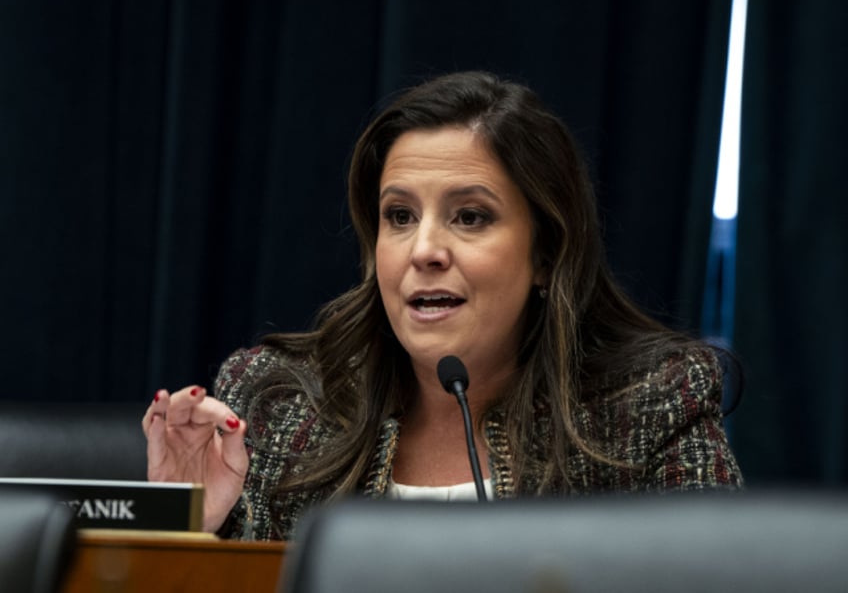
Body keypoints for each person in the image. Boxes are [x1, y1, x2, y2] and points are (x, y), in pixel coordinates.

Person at [142, 71, 743, 541]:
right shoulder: (278, 403)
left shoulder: (647, 408)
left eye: (470, 217)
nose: (424, 250)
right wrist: (187, 535)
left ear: (546, 253)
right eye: (399, 217)